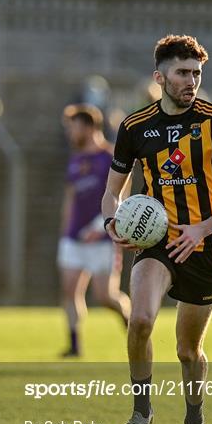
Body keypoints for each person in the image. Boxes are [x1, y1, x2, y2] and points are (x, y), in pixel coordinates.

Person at [102, 35, 212, 424]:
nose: (191, 80)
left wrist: (201, 229)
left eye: (196, 73)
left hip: (207, 247)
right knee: (139, 321)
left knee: (188, 353)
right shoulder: (134, 128)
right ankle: (141, 411)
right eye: (182, 73)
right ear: (160, 78)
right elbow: (112, 193)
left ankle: (194, 422)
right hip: (156, 245)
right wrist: (112, 223)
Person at [58, 104, 131, 357]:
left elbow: (122, 198)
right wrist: (66, 230)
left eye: (74, 127)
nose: (70, 133)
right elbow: (70, 198)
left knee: (105, 297)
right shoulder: (75, 160)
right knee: (69, 291)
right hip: (74, 238)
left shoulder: (111, 157)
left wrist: (100, 227)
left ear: (89, 127)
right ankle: (74, 345)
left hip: (103, 238)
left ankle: (132, 326)